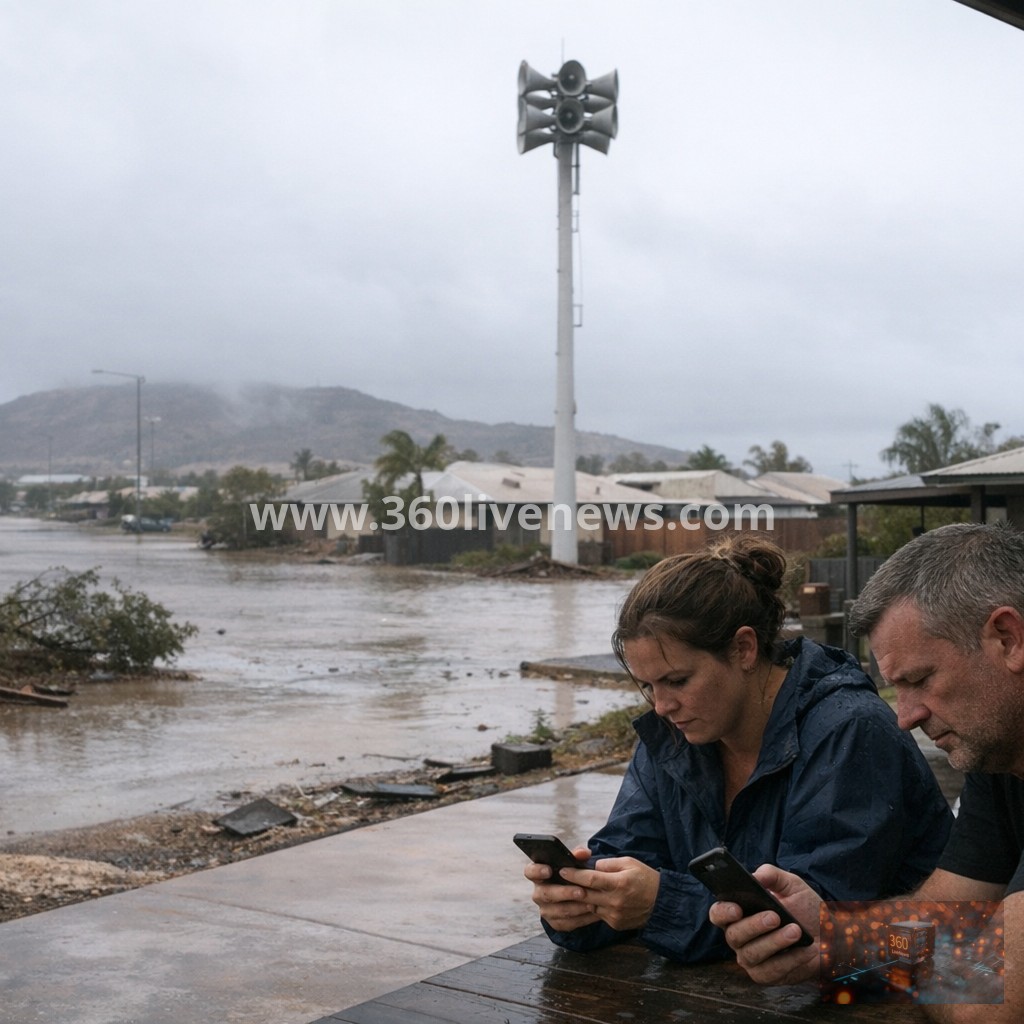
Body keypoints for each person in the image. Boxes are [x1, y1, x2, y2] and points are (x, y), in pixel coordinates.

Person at [523, 535, 953, 964]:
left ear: (744, 648)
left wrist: (660, 905)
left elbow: (814, 915)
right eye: (647, 685)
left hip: (911, 983)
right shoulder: (674, 735)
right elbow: (628, 851)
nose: (661, 705)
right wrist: (579, 904)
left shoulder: (849, 730)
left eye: (677, 681)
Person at [710, 522, 1023, 1021]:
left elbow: (993, 1004)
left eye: (920, 680)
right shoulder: (1003, 751)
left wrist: (858, 953)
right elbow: (946, 912)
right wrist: (830, 938)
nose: (904, 716)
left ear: (1008, 638)